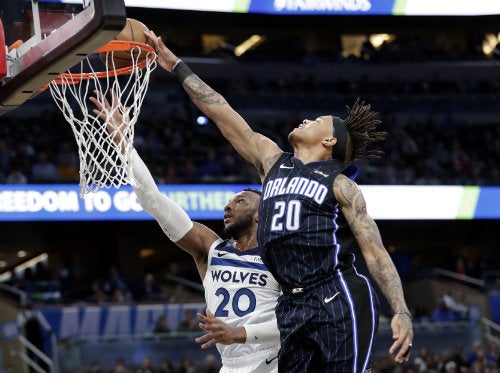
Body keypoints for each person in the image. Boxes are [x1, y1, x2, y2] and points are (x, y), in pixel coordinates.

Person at [145, 30, 414, 372]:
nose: (306, 119)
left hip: (337, 296)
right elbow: (222, 112)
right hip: (290, 302)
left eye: (316, 121)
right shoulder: (272, 161)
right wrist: (176, 65)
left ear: (330, 140)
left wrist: (401, 309)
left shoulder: (342, 185)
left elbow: (374, 251)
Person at [89, 93, 281, 373]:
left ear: (259, 214)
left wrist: (240, 333)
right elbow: (153, 200)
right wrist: (123, 142)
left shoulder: (280, 254)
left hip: (274, 358)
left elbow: (296, 319)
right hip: (230, 364)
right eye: (228, 202)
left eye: (240, 201)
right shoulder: (210, 248)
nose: (229, 206)